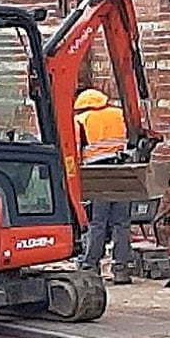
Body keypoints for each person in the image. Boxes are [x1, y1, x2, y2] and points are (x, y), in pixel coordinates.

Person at [73, 88, 133, 285]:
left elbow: (74, 148)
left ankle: (90, 265)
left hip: (96, 173)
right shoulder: (118, 114)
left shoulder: (81, 120)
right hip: (121, 170)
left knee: (97, 222)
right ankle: (121, 269)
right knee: (121, 223)